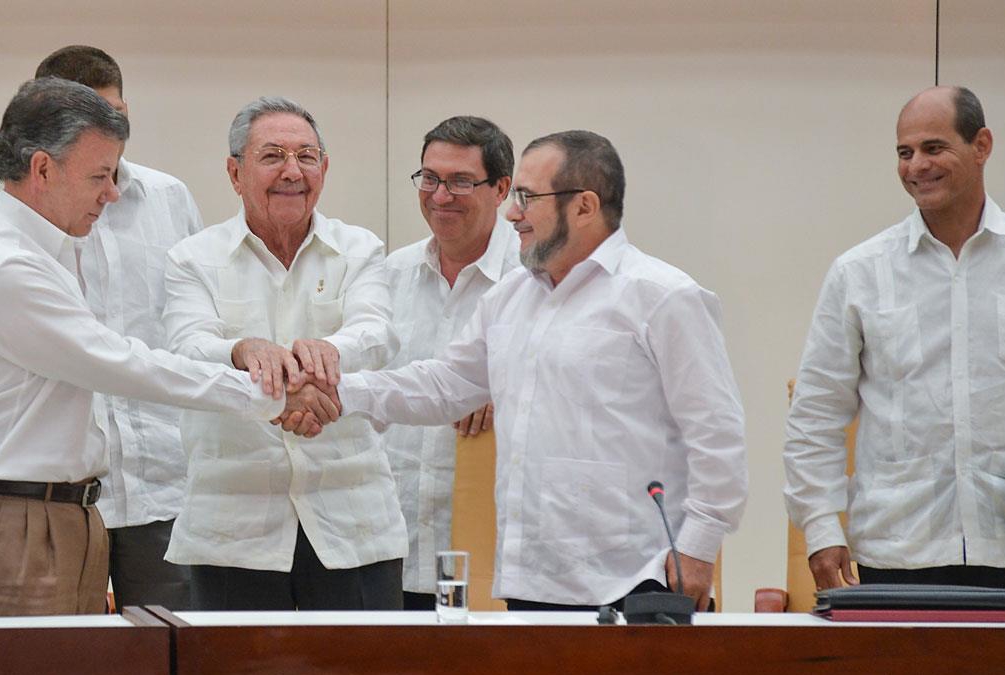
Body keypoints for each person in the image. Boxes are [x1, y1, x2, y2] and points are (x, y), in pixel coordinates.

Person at [0, 78, 320, 618]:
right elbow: (119, 363)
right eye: (100, 176)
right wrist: (273, 397)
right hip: (7, 521)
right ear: (42, 169)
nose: (112, 194)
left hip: (63, 512)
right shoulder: (5, 262)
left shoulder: (50, 245)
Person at [313, 130, 748, 612]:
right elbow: (442, 385)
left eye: (526, 197)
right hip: (529, 581)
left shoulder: (664, 297)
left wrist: (699, 546)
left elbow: (717, 434)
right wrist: (336, 391)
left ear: (584, 206)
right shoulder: (510, 298)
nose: (512, 212)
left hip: (637, 578)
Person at [783, 86, 1005, 607]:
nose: (916, 166)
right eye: (904, 153)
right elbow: (815, 414)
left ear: (982, 145)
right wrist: (820, 528)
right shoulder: (859, 272)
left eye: (933, 147)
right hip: (895, 553)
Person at [0, 45, 203, 612]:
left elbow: (197, 322)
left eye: (115, 114)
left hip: (164, 488)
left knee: (177, 658)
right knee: (72, 658)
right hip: (60, 501)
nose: (106, 133)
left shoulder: (169, 199)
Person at [161, 96, 407, 611]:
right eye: (272, 156)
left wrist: (323, 355)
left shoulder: (360, 249)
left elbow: (378, 333)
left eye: (307, 156)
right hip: (233, 528)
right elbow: (186, 349)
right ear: (235, 173)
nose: (292, 171)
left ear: (325, 168)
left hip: (352, 520)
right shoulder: (192, 259)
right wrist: (242, 350)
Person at [384, 115, 520, 610]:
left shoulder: (535, 281)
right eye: (430, 178)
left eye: (460, 181)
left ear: (502, 187)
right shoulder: (388, 275)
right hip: (392, 547)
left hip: (493, 560)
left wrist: (497, 389)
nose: (440, 196)